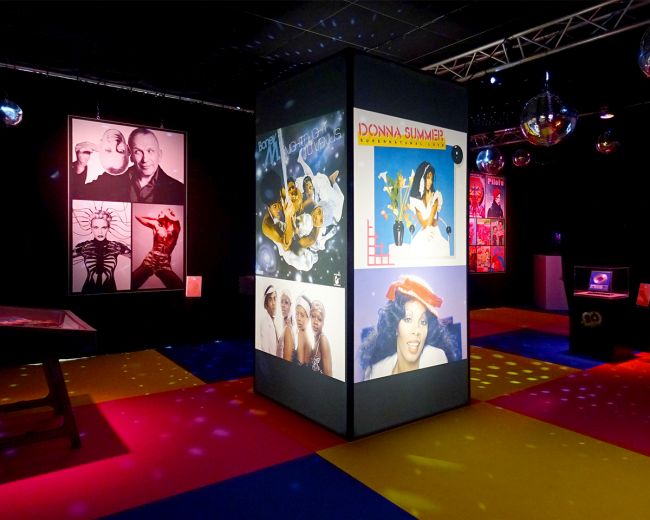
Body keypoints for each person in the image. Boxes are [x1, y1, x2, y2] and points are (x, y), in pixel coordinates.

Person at [359, 275, 459, 380]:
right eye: (408, 319)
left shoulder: (436, 358)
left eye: (423, 322)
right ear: (395, 326)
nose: (416, 330)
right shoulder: (375, 372)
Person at [88, 127, 184, 204]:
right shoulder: (109, 180)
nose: (145, 159)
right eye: (137, 152)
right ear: (130, 155)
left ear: (159, 155)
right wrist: (81, 165)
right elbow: (82, 193)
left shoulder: (178, 189)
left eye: (150, 151)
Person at [72, 209, 131, 293]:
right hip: (88, 291)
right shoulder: (84, 246)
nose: (100, 232)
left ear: (108, 228)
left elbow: (135, 257)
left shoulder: (117, 246)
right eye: (96, 227)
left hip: (110, 290)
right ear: (91, 228)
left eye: (104, 227)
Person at [70, 128, 130, 200]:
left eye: (108, 150)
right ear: (128, 149)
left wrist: (80, 165)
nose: (115, 143)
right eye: (121, 150)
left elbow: (77, 194)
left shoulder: (109, 184)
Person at [131, 207, 183, 289]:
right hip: (150, 261)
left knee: (179, 287)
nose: (159, 213)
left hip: (164, 264)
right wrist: (153, 218)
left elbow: (176, 220)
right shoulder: (156, 224)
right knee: (131, 283)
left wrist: (168, 213)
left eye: (161, 212)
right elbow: (137, 216)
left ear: (168, 214)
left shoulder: (175, 227)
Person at [408, 161, 450, 257]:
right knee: (415, 248)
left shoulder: (436, 196)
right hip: (424, 233)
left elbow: (431, 218)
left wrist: (428, 224)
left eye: (431, 178)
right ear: (421, 177)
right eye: (428, 178)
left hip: (434, 233)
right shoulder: (415, 200)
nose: (430, 181)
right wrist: (427, 226)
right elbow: (422, 222)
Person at [309, 300, 332, 376]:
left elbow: (329, 376)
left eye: (319, 319)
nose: (315, 322)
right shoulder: (315, 341)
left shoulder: (323, 340)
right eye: (313, 316)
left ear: (323, 322)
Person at [259, 284, 280, 355]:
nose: (273, 303)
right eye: (270, 299)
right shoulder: (264, 322)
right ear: (266, 304)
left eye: (275, 298)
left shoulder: (275, 321)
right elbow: (265, 351)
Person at [277, 288, 296, 362]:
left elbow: (287, 361)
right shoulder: (284, 324)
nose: (283, 305)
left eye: (286, 302)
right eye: (281, 302)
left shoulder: (288, 328)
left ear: (290, 305)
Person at [294, 294, 313, 365]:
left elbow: (299, 364)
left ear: (308, 318)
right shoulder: (305, 335)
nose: (298, 318)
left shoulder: (301, 333)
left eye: (302, 315)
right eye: (297, 314)